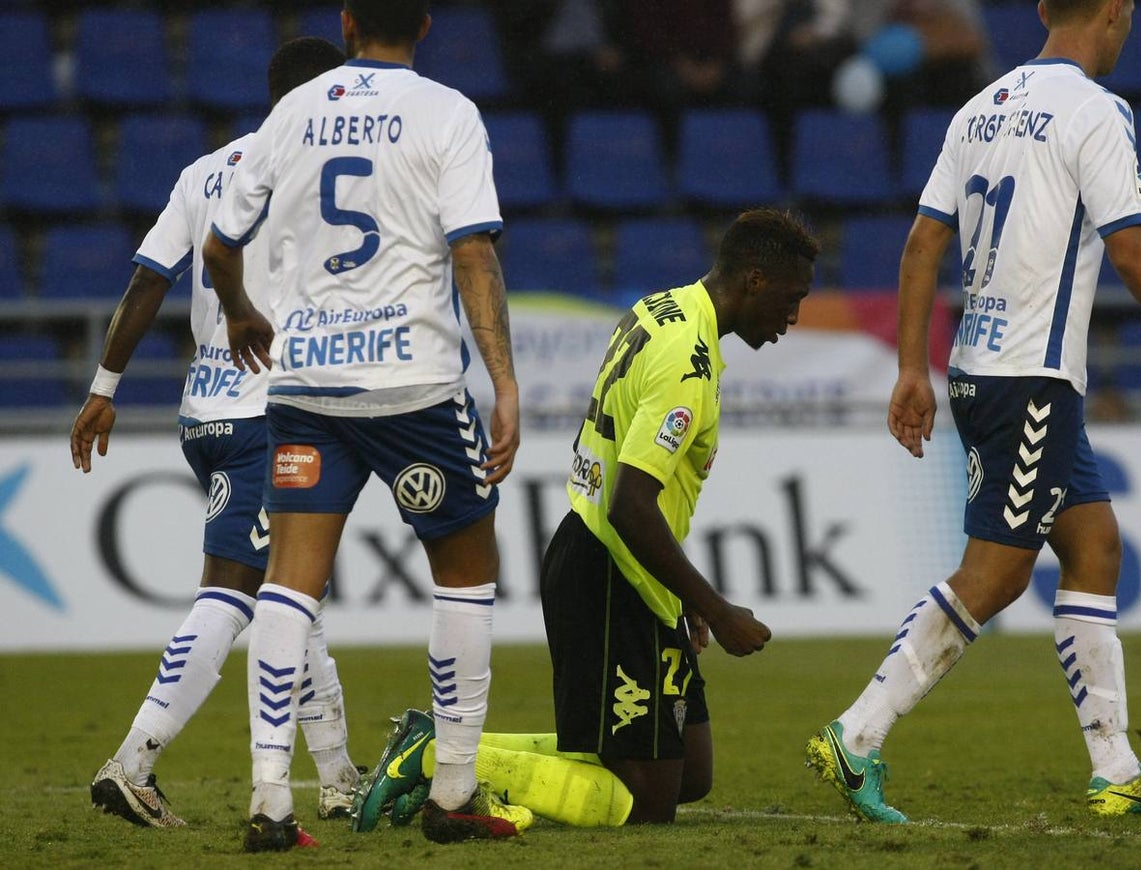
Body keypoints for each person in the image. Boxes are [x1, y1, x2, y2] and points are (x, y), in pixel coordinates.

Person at [350, 209, 820, 829]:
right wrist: (716, 606)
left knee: (692, 775)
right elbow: (631, 506)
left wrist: (683, 600)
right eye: (793, 299)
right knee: (647, 801)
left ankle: (440, 747)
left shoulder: (665, 307)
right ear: (756, 280)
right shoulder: (688, 361)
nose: (794, 318)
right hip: (608, 570)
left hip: (620, 566)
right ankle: (436, 755)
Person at [806, 0, 1141, 823]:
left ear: (1040, 9)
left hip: (985, 368)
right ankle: (856, 736)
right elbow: (1133, 247)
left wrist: (909, 371)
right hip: (1029, 375)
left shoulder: (982, 106)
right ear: (1113, 11)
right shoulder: (1099, 112)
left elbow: (924, 241)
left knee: (1094, 546)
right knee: (995, 574)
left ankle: (1116, 768)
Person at [202, 0, 525, 851]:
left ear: (345, 22)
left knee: (288, 583)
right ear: (423, 23)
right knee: (465, 569)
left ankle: (271, 799)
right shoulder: (449, 112)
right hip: (413, 385)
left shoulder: (290, 112)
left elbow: (218, 245)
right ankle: (453, 791)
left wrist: (239, 311)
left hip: (305, 383)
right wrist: (504, 382)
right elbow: (473, 252)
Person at [70, 37, 359, 836]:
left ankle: (337, 776)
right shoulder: (320, 175)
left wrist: (104, 390)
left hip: (206, 416)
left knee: (291, 589)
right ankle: (134, 761)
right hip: (277, 413)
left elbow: (145, 280)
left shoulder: (204, 172)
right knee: (234, 591)